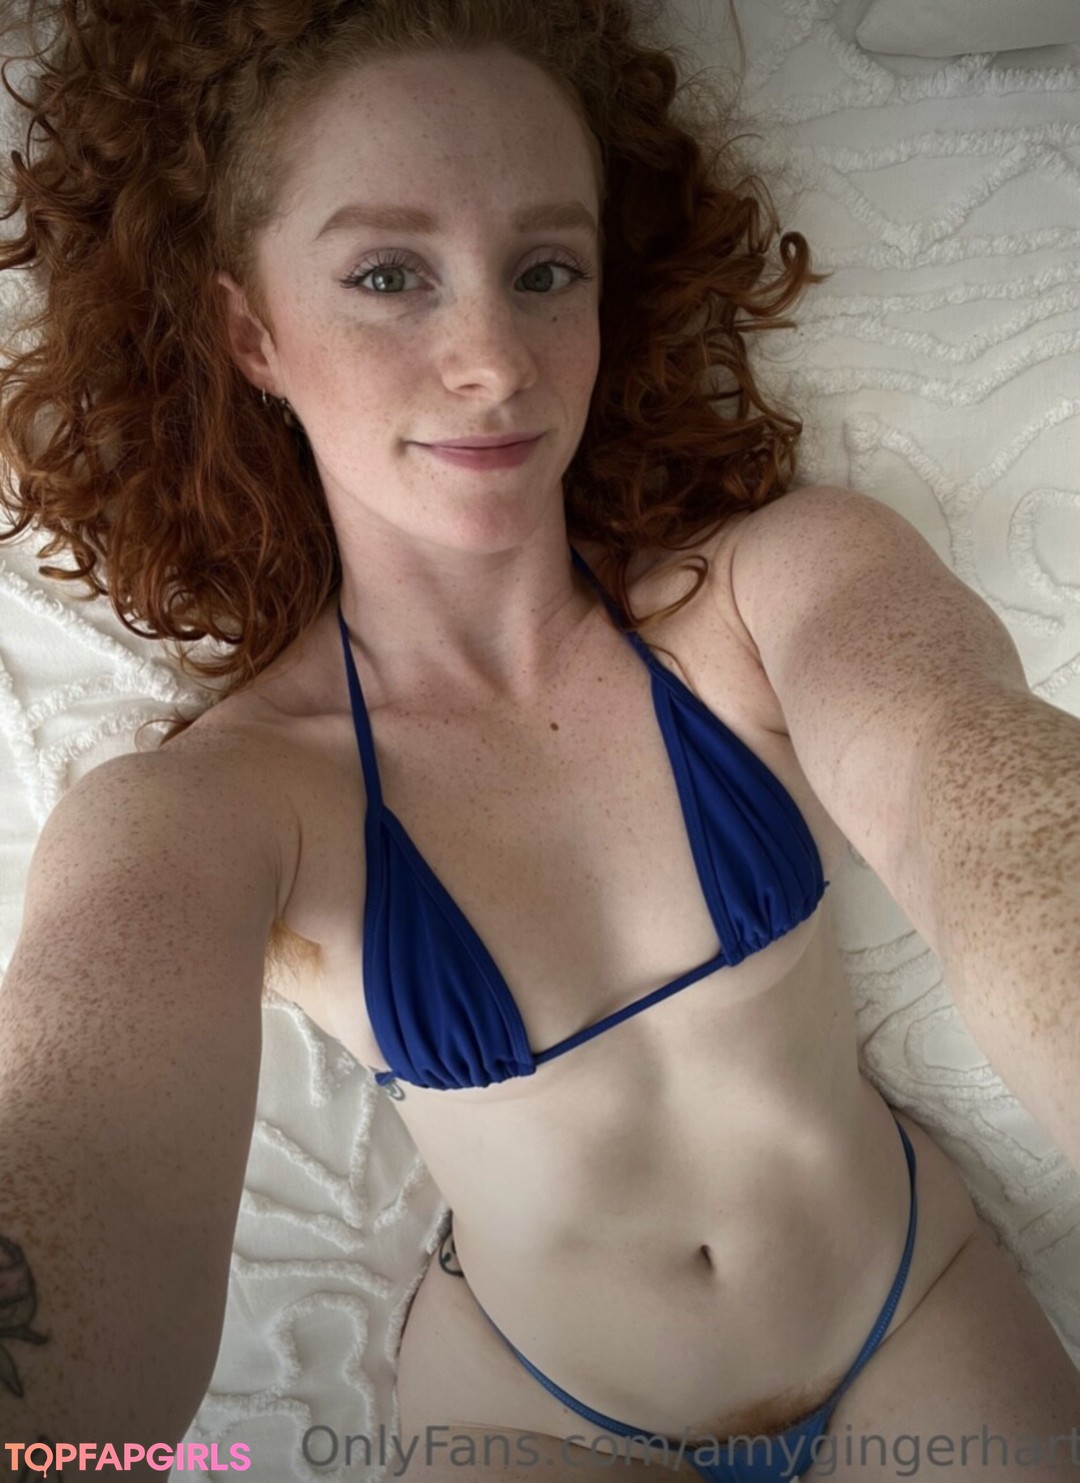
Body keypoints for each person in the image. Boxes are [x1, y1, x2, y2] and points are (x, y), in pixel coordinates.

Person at [1, 1, 1078, 1478]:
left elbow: (1002, 816)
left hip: (912, 1310)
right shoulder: (212, 808)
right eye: (389, 275)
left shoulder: (779, 590)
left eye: (545, 271)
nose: (494, 359)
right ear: (253, 332)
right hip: (534, 1413)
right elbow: (84, 1158)